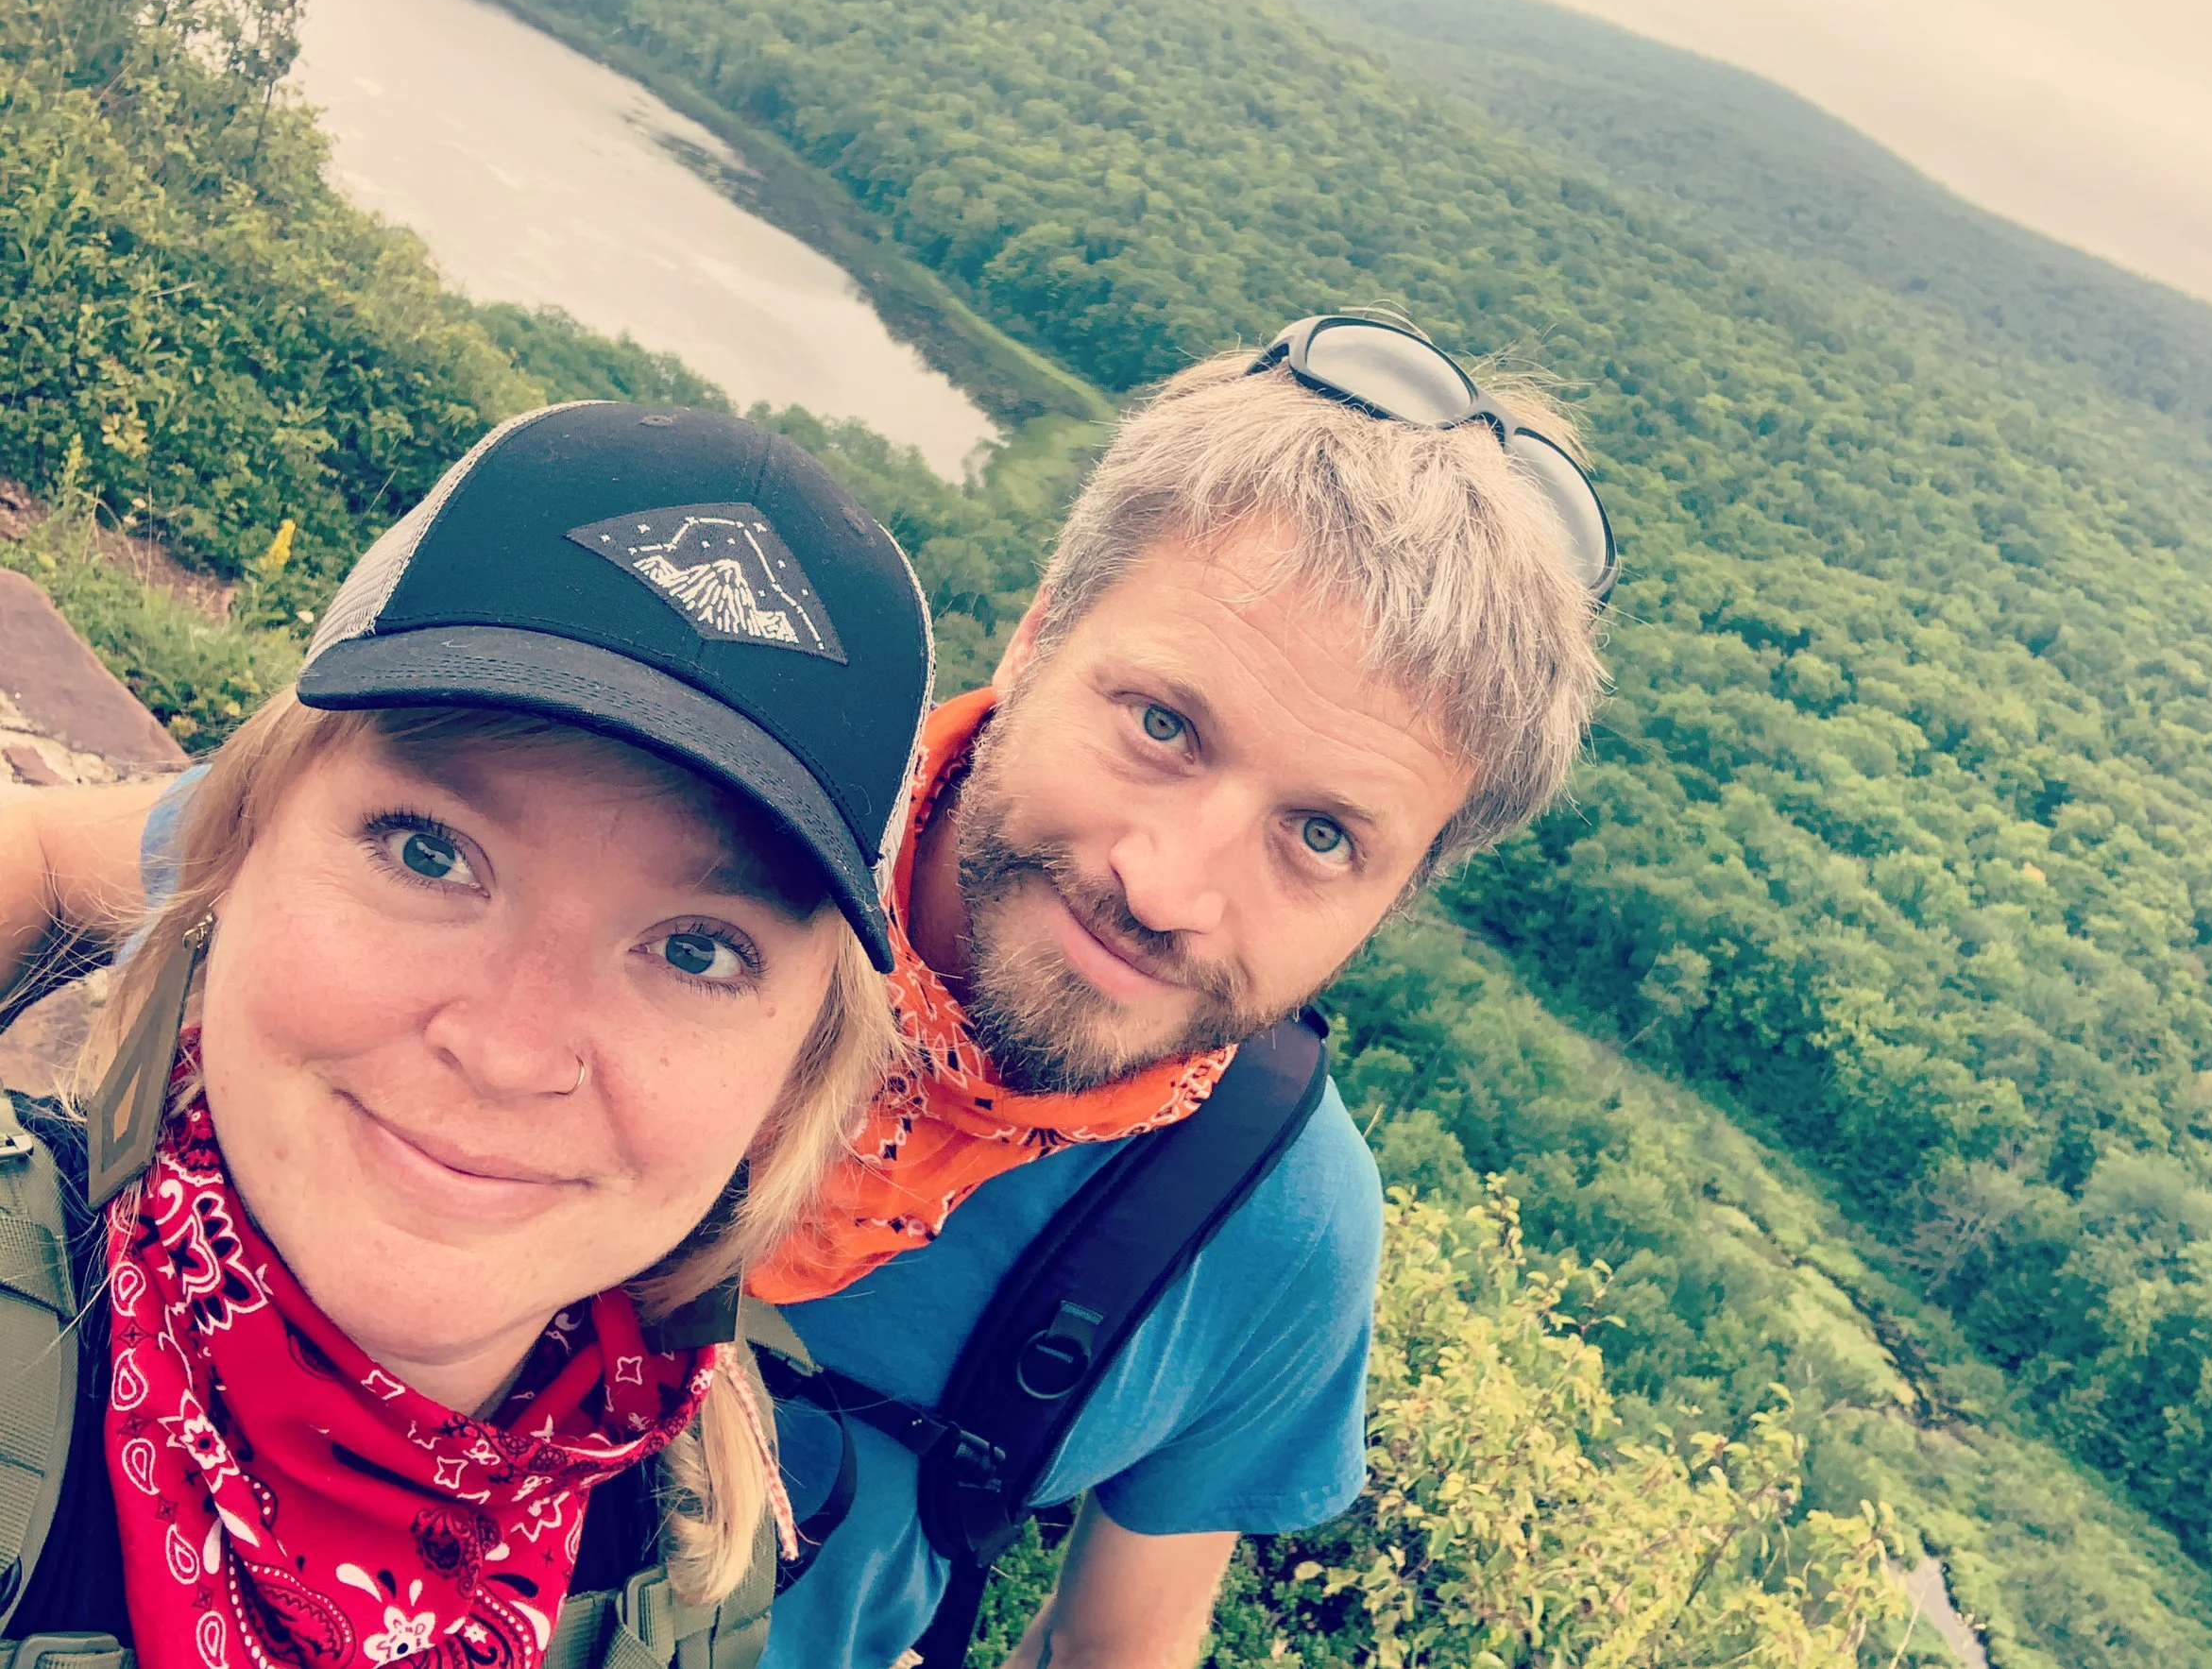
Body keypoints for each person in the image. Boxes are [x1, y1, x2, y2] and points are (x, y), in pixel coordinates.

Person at [2, 315, 1616, 1669]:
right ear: (1046, 630)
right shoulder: (713, 794)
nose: (1169, 881)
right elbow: (102, 863)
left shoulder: (1267, 1226)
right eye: (1164, 725)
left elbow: (1119, 1642)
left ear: (1396, 898)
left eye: (1323, 836)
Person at [0, 400, 932, 1668]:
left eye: (697, 949)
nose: (508, 1045)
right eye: (431, 851)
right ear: (230, 853)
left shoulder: (695, 1558)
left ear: (787, 1088)